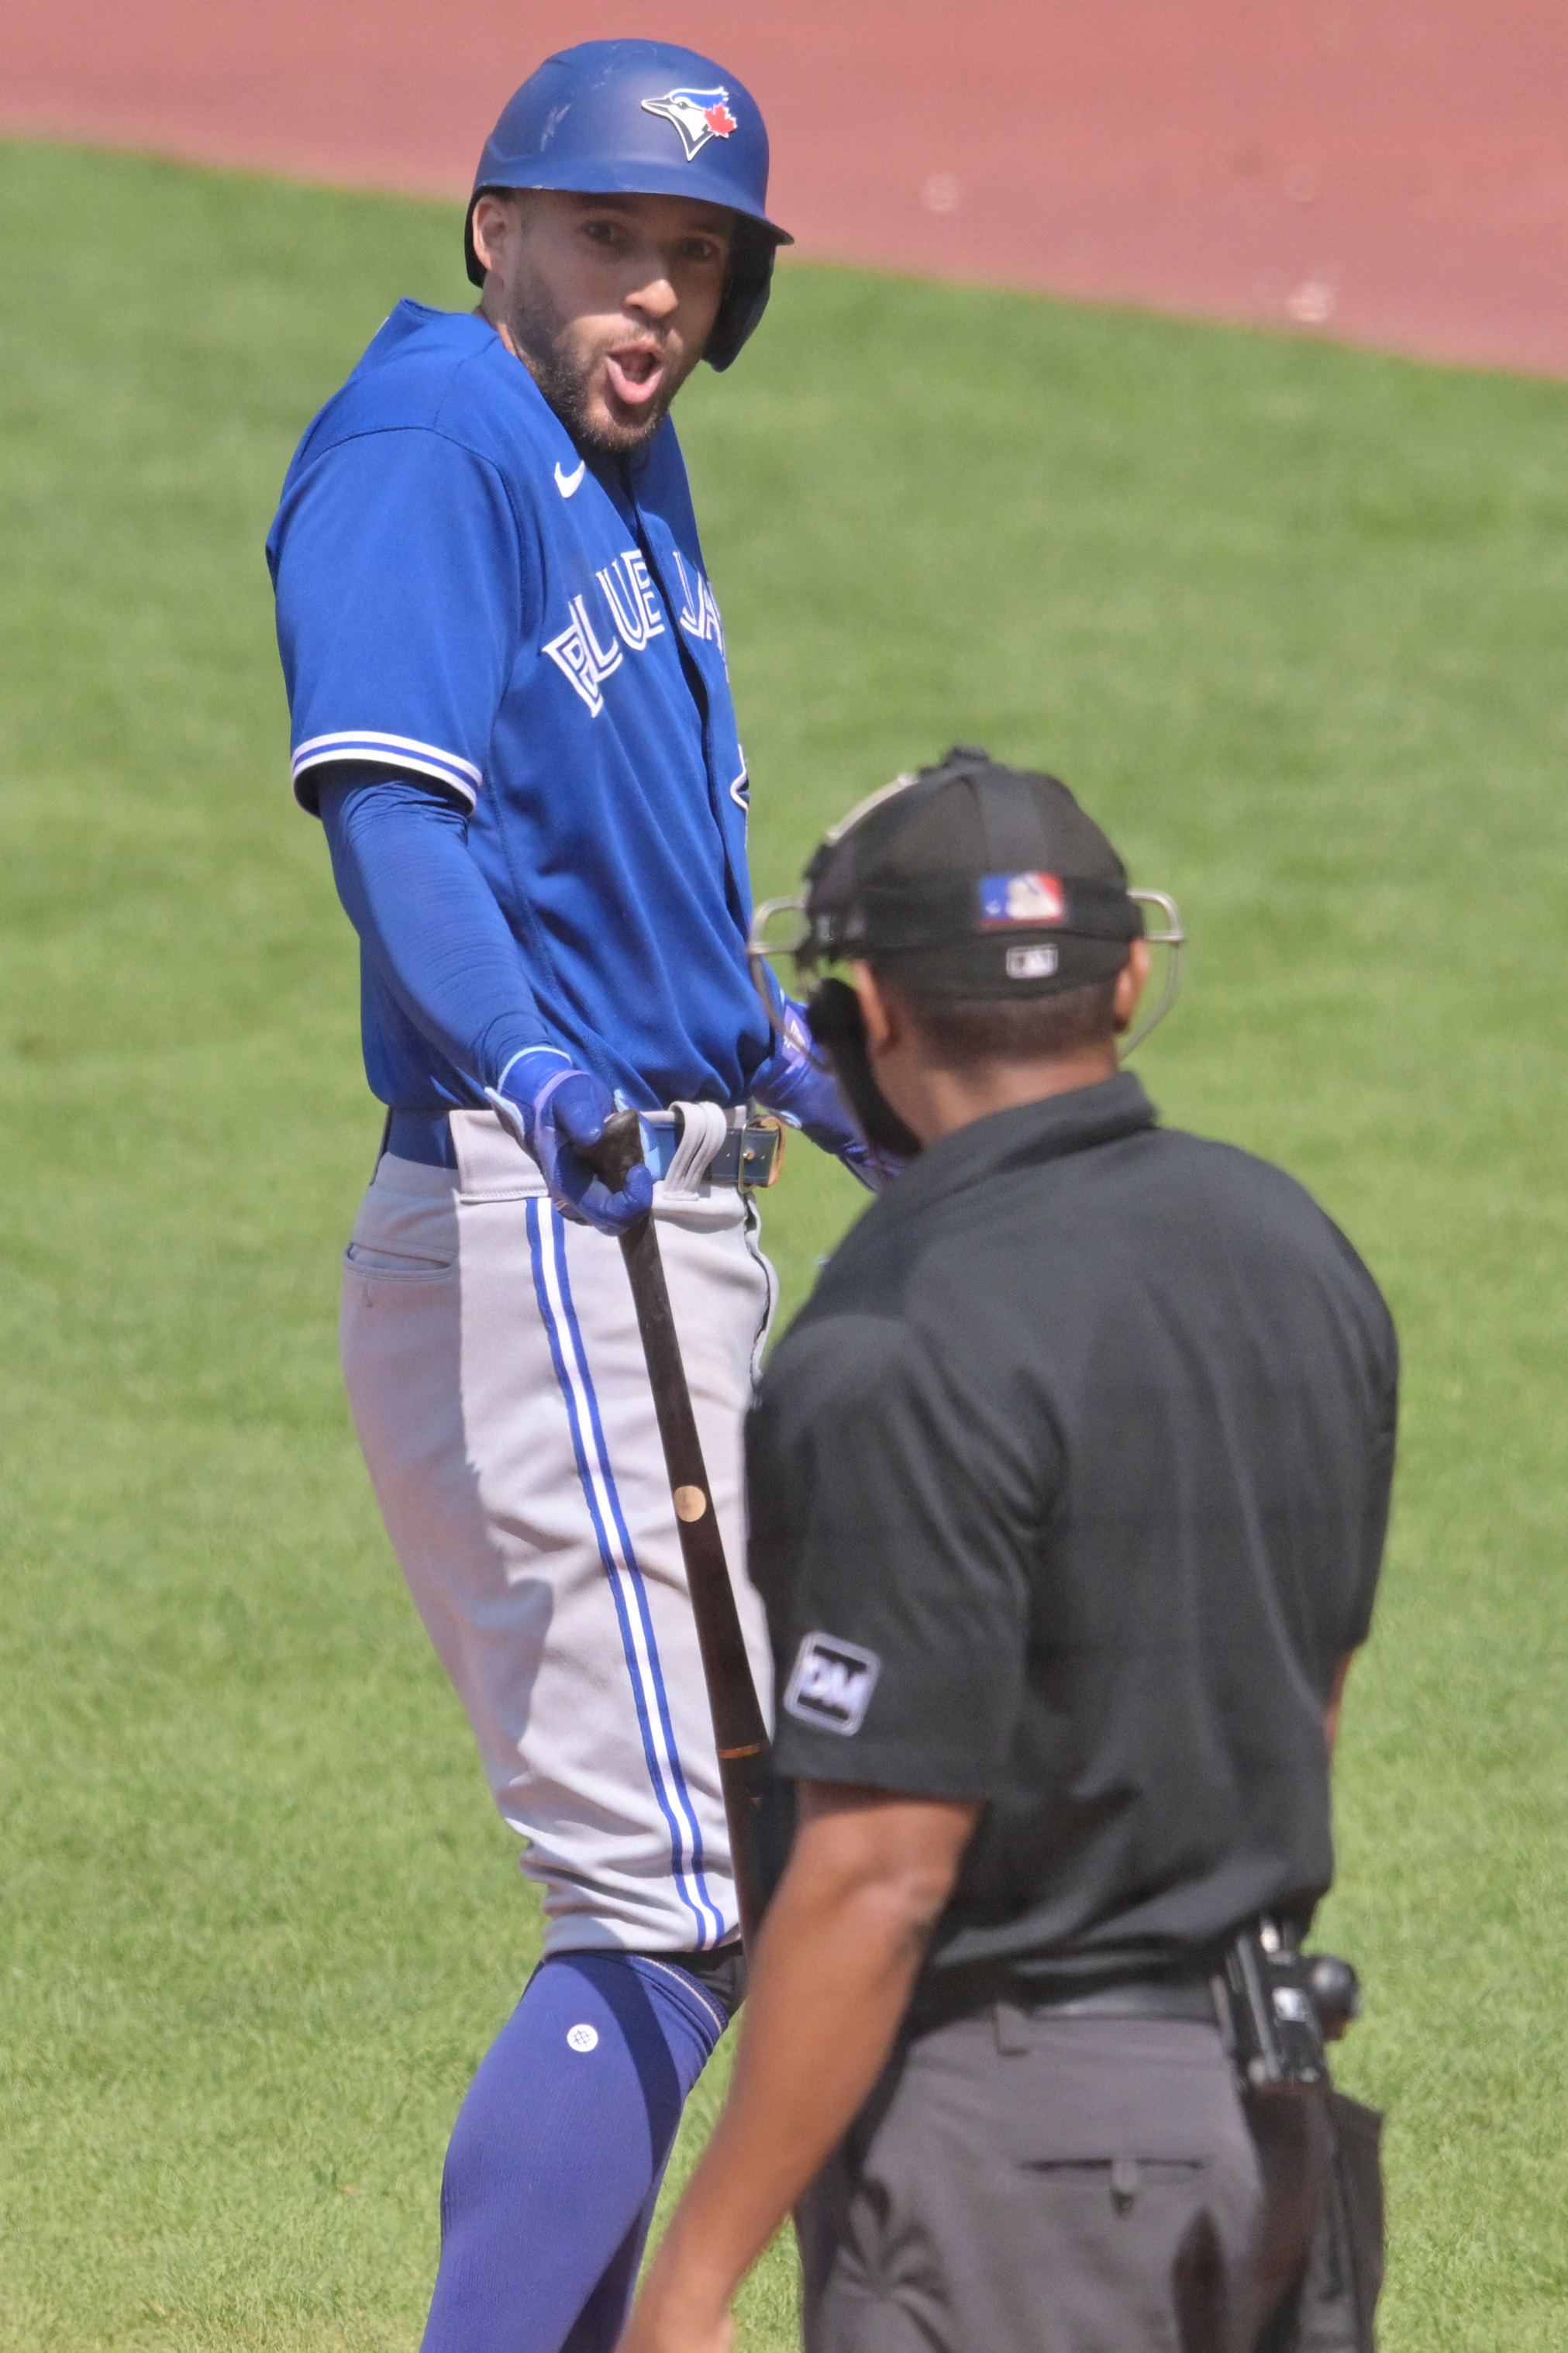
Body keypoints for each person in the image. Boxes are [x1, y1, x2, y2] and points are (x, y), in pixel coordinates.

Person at [265, 40, 881, 2353]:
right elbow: (398, 819)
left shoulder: (627, 467)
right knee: (687, 1882)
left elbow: (638, 874)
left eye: (695, 261)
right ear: (497, 226)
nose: (652, 298)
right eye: (613, 239)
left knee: (689, 1882)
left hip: (640, 1204)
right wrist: (526, 1060)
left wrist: (794, 1066)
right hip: (551, 1213)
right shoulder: (436, 439)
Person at [622, 748, 1399, 2353]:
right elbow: (1299, 1705)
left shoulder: (895, 1343)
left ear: (871, 1015)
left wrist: (692, 2283)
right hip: (1263, 2125)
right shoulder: (1299, 1257)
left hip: (1008, 2166)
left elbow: (879, 1871)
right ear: (1127, 977)